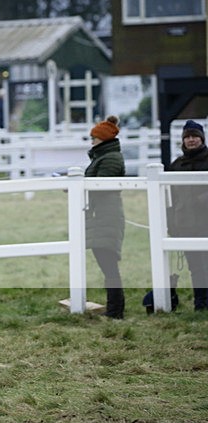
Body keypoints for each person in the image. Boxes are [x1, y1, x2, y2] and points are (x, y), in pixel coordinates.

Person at [85, 115, 126, 319]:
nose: (91, 141)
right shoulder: (104, 157)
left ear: (102, 139)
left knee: (109, 266)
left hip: (106, 215)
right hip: (101, 215)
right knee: (108, 265)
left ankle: (115, 311)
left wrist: (79, 186)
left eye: (94, 138)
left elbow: (100, 186)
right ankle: (114, 309)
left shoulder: (110, 159)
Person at [167, 120, 208, 311]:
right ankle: (200, 303)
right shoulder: (176, 165)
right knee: (195, 266)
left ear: (201, 138)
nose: (191, 140)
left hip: (205, 221)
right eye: (188, 137)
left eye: (195, 136)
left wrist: (201, 200)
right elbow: (169, 198)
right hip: (185, 223)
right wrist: (172, 224)